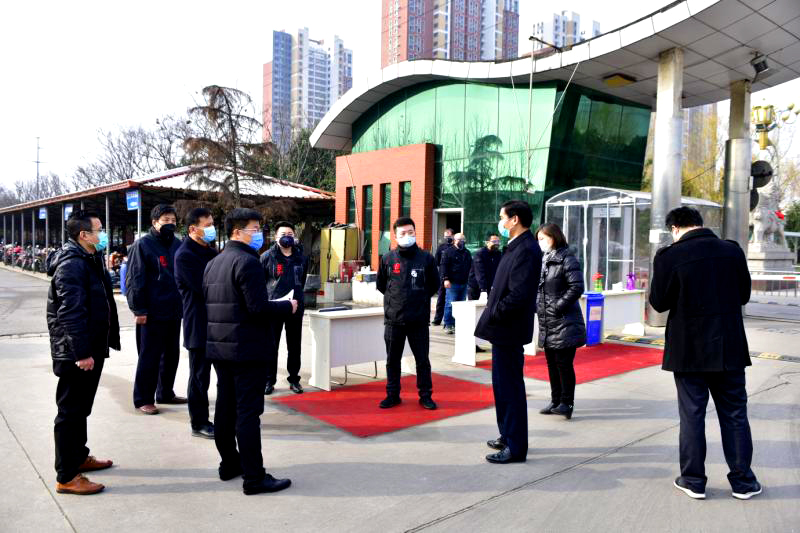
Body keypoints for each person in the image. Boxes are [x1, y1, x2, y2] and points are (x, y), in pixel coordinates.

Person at [650, 206, 761, 501]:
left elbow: (659, 303)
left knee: (692, 416)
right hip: (729, 348)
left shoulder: (669, 256)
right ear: (700, 224)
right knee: (735, 415)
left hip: (689, 351)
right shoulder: (732, 251)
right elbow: (744, 295)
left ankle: (693, 481)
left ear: (675, 229)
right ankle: (744, 482)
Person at [204, 208, 297, 495]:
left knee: (225, 409)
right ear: (237, 231)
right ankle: (254, 477)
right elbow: (257, 308)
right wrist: (287, 306)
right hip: (246, 349)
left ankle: (230, 463)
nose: (260, 235)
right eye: (255, 229)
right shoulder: (248, 262)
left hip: (220, 348)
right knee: (247, 413)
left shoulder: (214, 262)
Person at [47, 210, 120, 495]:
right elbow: (70, 312)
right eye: (99, 230)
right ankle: (67, 476)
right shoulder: (71, 264)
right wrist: (81, 352)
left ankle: (79, 456)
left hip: (91, 346)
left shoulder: (90, 257)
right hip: (76, 352)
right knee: (70, 412)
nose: (103, 234)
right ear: (83, 235)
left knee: (81, 409)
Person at [475, 200, 541, 464]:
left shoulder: (527, 249)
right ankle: (507, 434)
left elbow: (519, 294)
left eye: (502, 217)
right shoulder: (515, 246)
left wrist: (495, 312)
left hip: (509, 328)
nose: (500, 222)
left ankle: (515, 447)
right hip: (502, 329)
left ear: (515, 220)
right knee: (501, 387)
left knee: (511, 388)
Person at [126, 204, 185, 415]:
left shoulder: (178, 244)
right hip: (151, 312)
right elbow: (135, 279)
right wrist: (139, 309)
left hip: (174, 309)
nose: (170, 224)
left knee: (171, 355)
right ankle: (143, 398)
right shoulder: (143, 245)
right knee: (149, 356)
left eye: (173, 220)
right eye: (165, 220)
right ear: (154, 223)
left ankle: (165, 392)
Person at [376, 217, 440, 409]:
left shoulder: (426, 258)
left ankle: (425, 396)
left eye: (410, 232)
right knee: (392, 361)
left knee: (422, 361)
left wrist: (419, 299)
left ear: (415, 233)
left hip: (418, 320)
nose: (407, 236)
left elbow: (434, 285)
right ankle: (392, 395)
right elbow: (381, 285)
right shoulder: (388, 259)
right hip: (394, 319)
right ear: (395, 236)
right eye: (402, 233)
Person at [174, 207, 218, 439]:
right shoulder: (185, 255)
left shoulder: (211, 252)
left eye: (212, 224)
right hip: (199, 323)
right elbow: (205, 288)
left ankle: (225, 416)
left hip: (218, 322)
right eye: (207, 225)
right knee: (200, 377)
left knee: (224, 374)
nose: (212, 229)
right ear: (193, 229)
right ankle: (199, 422)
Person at [535, 223, 586, 420]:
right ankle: (555, 401)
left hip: (564, 321)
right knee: (551, 364)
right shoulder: (544, 259)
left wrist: (558, 306)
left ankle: (567, 403)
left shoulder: (567, 258)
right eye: (538, 239)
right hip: (548, 321)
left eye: (543, 238)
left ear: (554, 237)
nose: (540, 242)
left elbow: (576, 287)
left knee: (563, 364)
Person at [261, 221, 309, 395]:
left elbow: (302, 280)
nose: (287, 237)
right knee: (271, 345)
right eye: (283, 234)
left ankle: (294, 379)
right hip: (274, 307)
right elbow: (261, 282)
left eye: (290, 234)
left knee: (294, 346)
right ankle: (269, 381)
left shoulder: (301, 257)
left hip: (295, 307)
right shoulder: (267, 257)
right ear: (276, 237)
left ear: (294, 236)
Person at [440, 232, 471, 334]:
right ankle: (448, 324)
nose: (462, 242)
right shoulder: (448, 252)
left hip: (464, 283)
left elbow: (470, 266)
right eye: (459, 240)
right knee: (450, 304)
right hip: (452, 283)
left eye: (463, 240)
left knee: (461, 305)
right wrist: (445, 279)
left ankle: (457, 324)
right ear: (454, 240)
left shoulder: (467, 252)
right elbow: (444, 266)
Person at [468, 232, 502, 301]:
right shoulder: (480, 254)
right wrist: (483, 289)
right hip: (477, 287)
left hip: (490, 287)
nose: (497, 243)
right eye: (494, 241)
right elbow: (480, 273)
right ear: (487, 242)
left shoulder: (498, 254)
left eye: (498, 241)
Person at [431, 228, 454, 326]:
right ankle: (437, 319)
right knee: (441, 298)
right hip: (443, 276)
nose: (447, 238)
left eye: (449, 236)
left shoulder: (456, 247)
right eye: (445, 236)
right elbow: (436, 262)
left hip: (453, 277)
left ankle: (449, 321)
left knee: (452, 300)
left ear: (453, 236)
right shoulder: (441, 247)